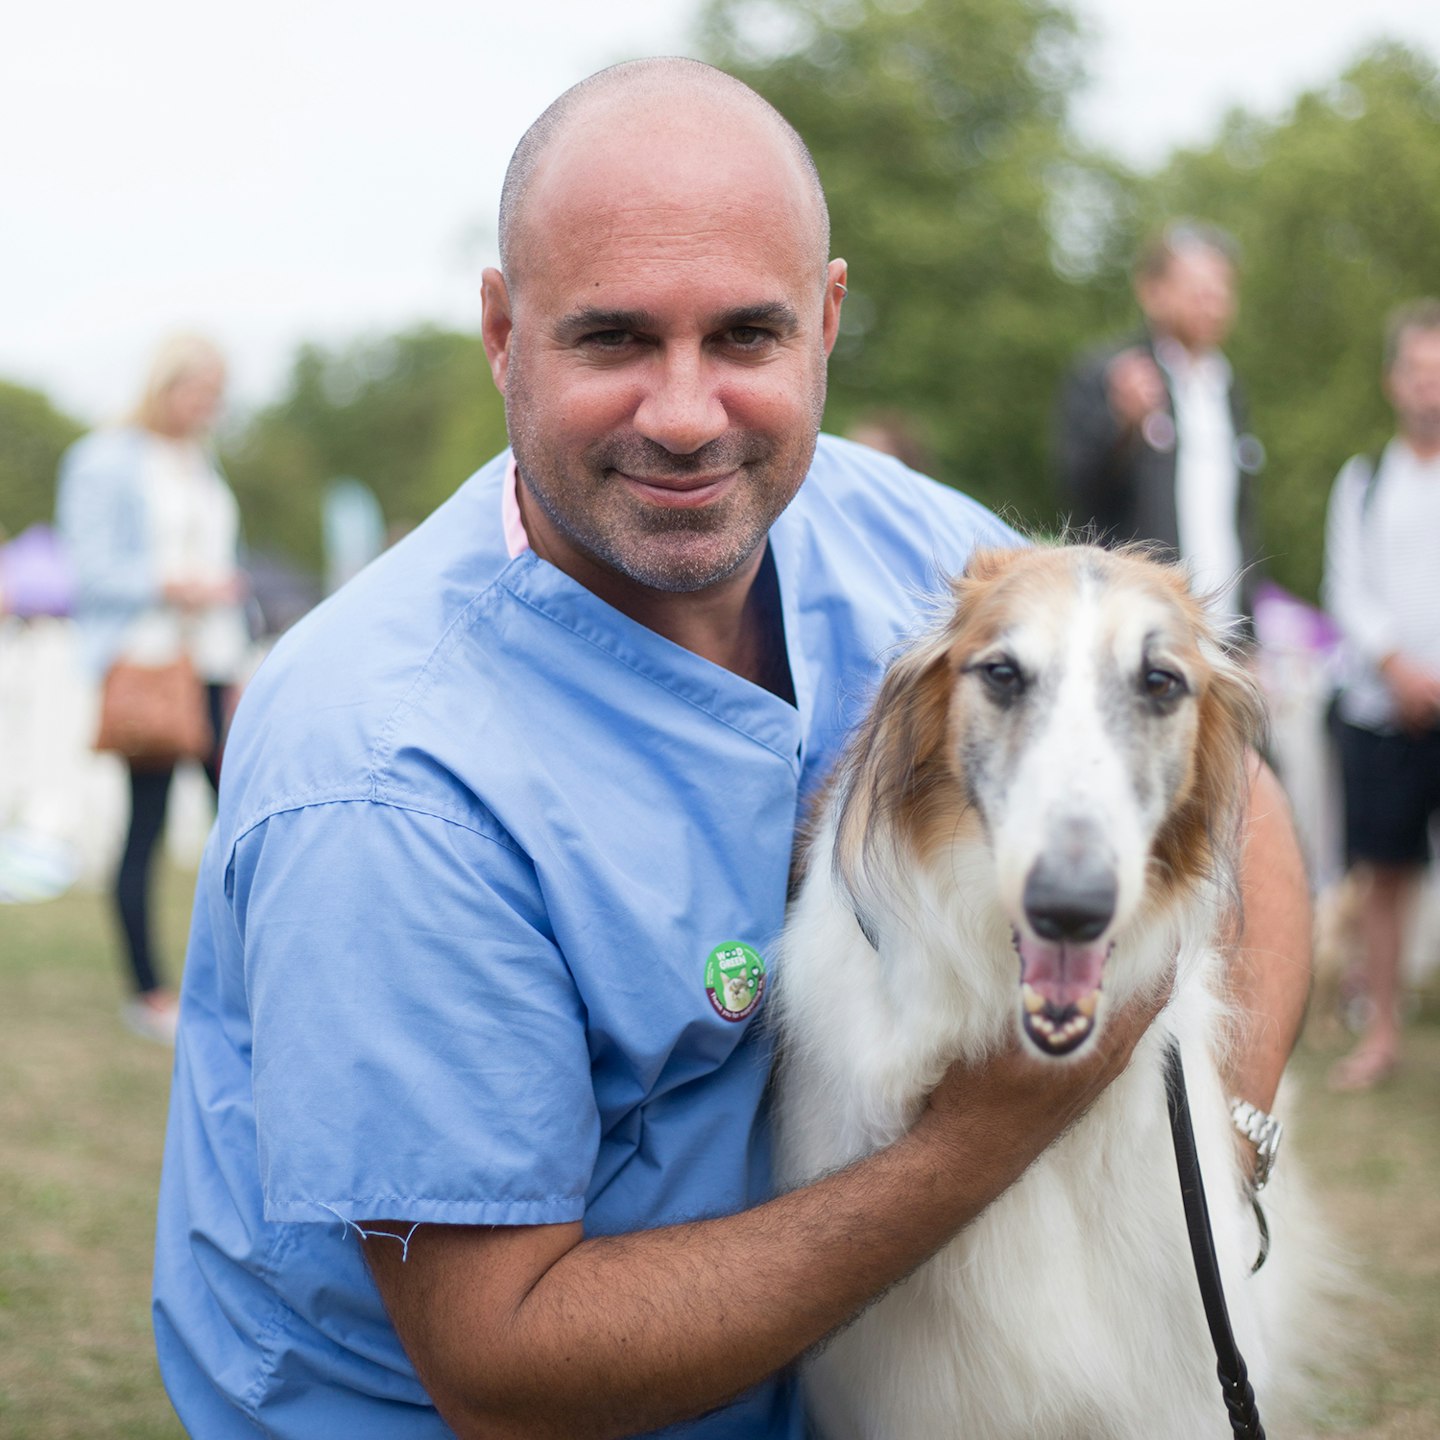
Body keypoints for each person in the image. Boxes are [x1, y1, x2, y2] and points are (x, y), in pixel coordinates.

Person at [153, 60, 1312, 1439]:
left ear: (824, 322)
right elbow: (505, 1365)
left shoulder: (907, 545)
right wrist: (995, 1135)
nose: (688, 414)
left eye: (747, 337)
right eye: (615, 339)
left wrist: (1228, 1147)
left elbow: (1233, 794)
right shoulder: (387, 777)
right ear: (502, 331)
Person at [56, 334, 248, 1043]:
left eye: (217, 394)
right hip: (149, 660)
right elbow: (91, 570)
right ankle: (147, 989)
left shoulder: (203, 461)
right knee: (149, 826)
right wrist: (174, 585)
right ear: (165, 385)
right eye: (199, 390)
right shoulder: (105, 460)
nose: (209, 407)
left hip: (213, 660)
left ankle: (250, 972)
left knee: (242, 816)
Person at [1321, 298, 1440, 1091]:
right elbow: (1347, 588)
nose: (1430, 388)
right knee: (1385, 876)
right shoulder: (1362, 483)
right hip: (1383, 711)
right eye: (1418, 371)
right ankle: (1383, 1030)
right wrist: (1398, 668)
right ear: (1394, 380)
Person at [1055, 221, 1265, 634]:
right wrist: (1122, 425)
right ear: (1152, 291)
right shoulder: (1111, 373)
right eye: (1197, 287)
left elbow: (1241, 518)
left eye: (1223, 289)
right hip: (1137, 622)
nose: (1213, 301)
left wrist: (1250, 632)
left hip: (1223, 630)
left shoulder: (1227, 387)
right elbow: (1079, 490)